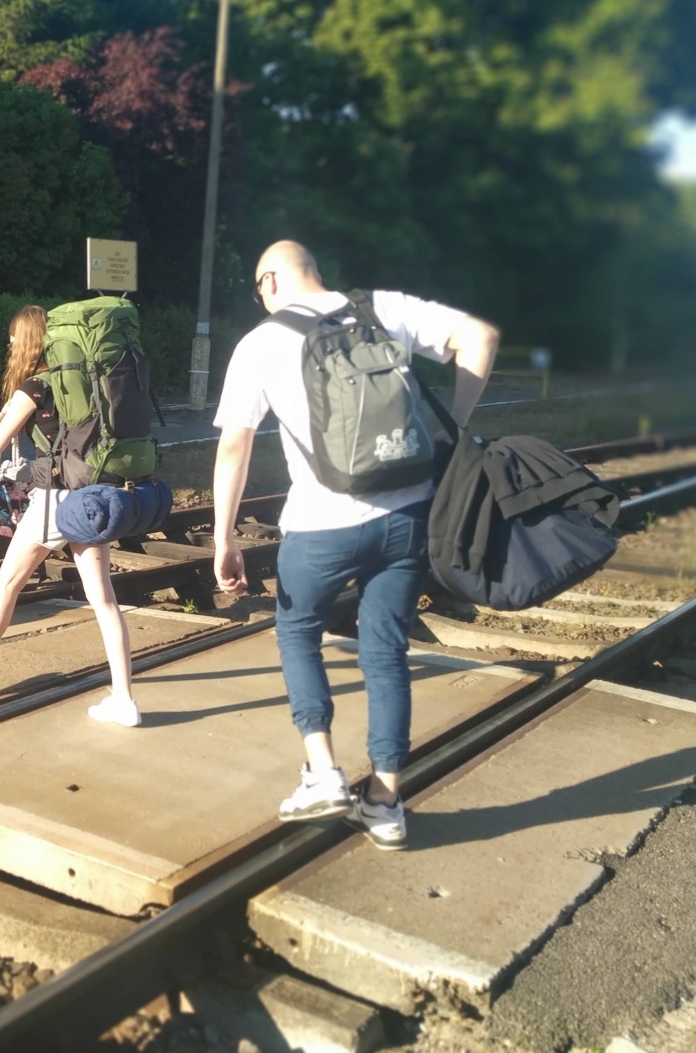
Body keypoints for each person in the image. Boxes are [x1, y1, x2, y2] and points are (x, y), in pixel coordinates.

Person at [211, 239, 500, 850]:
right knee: (386, 653)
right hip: (406, 518)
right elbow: (481, 337)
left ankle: (322, 772)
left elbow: (235, 445)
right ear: (316, 271)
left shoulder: (260, 343)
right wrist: (453, 426)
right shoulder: (381, 309)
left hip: (320, 526)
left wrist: (224, 535)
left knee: (297, 632)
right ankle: (386, 804)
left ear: (269, 282)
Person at [0, 305, 140, 726]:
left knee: (9, 582)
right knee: (104, 599)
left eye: (15, 335)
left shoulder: (34, 386)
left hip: (54, 500)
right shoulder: (79, 382)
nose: (10, 342)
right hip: (90, 494)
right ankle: (124, 699)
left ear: (28, 341)